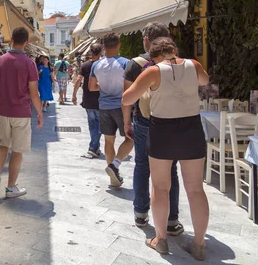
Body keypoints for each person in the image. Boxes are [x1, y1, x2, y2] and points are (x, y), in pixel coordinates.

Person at [123, 37, 209, 260]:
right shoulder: (193, 64)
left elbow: (126, 98)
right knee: (196, 189)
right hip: (191, 128)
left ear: (153, 55)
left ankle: (160, 240)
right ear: (175, 50)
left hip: (163, 130)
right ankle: (199, 244)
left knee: (160, 187)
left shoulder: (152, 71)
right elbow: (204, 81)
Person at [122, 22, 184, 234]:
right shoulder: (180, 64)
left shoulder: (136, 64)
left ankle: (141, 213)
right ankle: (172, 220)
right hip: (172, 121)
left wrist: (126, 122)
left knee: (142, 166)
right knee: (171, 170)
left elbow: (127, 98)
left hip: (144, 121)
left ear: (147, 40)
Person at [0, 27, 43, 198]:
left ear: (11, 38)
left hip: (4, 111)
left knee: (3, 145)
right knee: (18, 151)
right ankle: (10, 187)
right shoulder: (29, 63)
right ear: (26, 42)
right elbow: (33, 92)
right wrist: (40, 113)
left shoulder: (0, 61)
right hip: (21, 112)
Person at [88, 32, 133, 187]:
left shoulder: (96, 64)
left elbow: (92, 87)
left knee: (108, 141)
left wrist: (104, 87)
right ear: (119, 44)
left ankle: (112, 176)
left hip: (103, 106)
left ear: (104, 47)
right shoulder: (126, 63)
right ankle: (115, 164)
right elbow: (130, 88)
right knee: (130, 138)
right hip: (120, 106)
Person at [72, 43, 102, 158]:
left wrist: (74, 95)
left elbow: (78, 80)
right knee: (98, 125)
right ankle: (95, 147)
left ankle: (93, 147)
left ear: (90, 52)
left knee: (92, 124)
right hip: (101, 99)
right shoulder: (103, 65)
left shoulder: (85, 66)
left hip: (88, 99)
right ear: (101, 52)